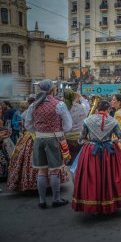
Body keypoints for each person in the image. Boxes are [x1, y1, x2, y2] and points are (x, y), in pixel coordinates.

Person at [72, 100, 121, 214]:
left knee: (93, 177)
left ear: (97, 109)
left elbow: (82, 136)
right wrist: (117, 139)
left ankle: (93, 204)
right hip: (109, 151)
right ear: (108, 110)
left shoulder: (88, 120)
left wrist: (86, 140)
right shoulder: (112, 121)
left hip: (92, 151)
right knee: (109, 176)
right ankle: (110, 202)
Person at [25, 79, 72, 209]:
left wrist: (39, 132)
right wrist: (59, 131)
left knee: (41, 171)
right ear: (52, 89)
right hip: (54, 139)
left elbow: (28, 124)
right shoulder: (59, 104)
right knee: (54, 170)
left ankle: (42, 201)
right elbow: (68, 125)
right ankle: (56, 199)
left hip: (39, 140)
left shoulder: (33, 105)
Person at [7, 101, 68, 191]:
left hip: (32, 136)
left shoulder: (25, 113)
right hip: (42, 136)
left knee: (34, 162)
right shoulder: (45, 111)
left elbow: (26, 126)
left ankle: (34, 185)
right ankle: (52, 189)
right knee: (51, 164)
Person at [64, 90, 87, 165]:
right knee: (78, 162)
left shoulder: (61, 108)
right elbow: (87, 106)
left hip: (65, 139)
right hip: (79, 138)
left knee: (67, 162)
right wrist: (80, 98)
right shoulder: (82, 107)